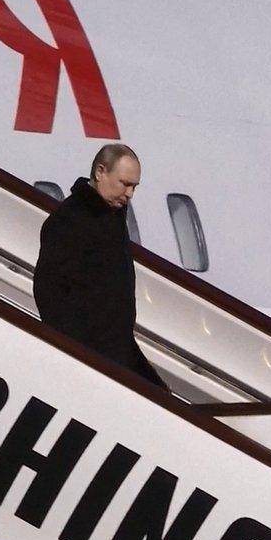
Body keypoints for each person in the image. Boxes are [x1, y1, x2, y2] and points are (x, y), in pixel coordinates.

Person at [33, 144, 167, 389]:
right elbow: (49, 291)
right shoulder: (70, 220)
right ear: (100, 172)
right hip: (89, 355)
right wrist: (76, 353)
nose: (129, 194)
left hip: (116, 350)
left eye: (134, 187)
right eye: (124, 183)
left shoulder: (111, 217)